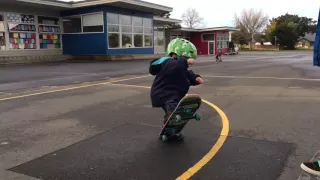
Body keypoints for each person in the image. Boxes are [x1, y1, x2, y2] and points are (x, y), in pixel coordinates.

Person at [149, 38, 204, 126]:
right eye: (186, 58)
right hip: (163, 94)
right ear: (175, 55)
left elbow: (187, 74)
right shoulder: (167, 63)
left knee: (173, 109)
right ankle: (173, 114)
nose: (189, 63)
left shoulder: (180, 66)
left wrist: (195, 78)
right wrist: (184, 61)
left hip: (174, 94)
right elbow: (175, 66)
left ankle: (170, 127)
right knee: (173, 106)